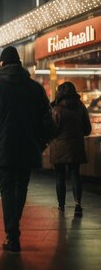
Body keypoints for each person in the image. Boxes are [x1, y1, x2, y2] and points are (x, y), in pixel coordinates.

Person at [0, 46, 55, 253]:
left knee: (7, 188)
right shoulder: (35, 89)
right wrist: (41, 142)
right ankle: (13, 226)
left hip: (3, 147)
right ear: (19, 64)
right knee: (21, 187)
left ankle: (12, 234)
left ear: (2, 64)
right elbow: (48, 121)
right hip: (28, 147)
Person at [49, 82, 91, 217]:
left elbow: (51, 130)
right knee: (75, 175)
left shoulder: (56, 109)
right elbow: (87, 129)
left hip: (59, 147)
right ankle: (78, 204)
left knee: (59, 177)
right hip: (76, 145)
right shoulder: (81, 107)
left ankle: (61, 206)